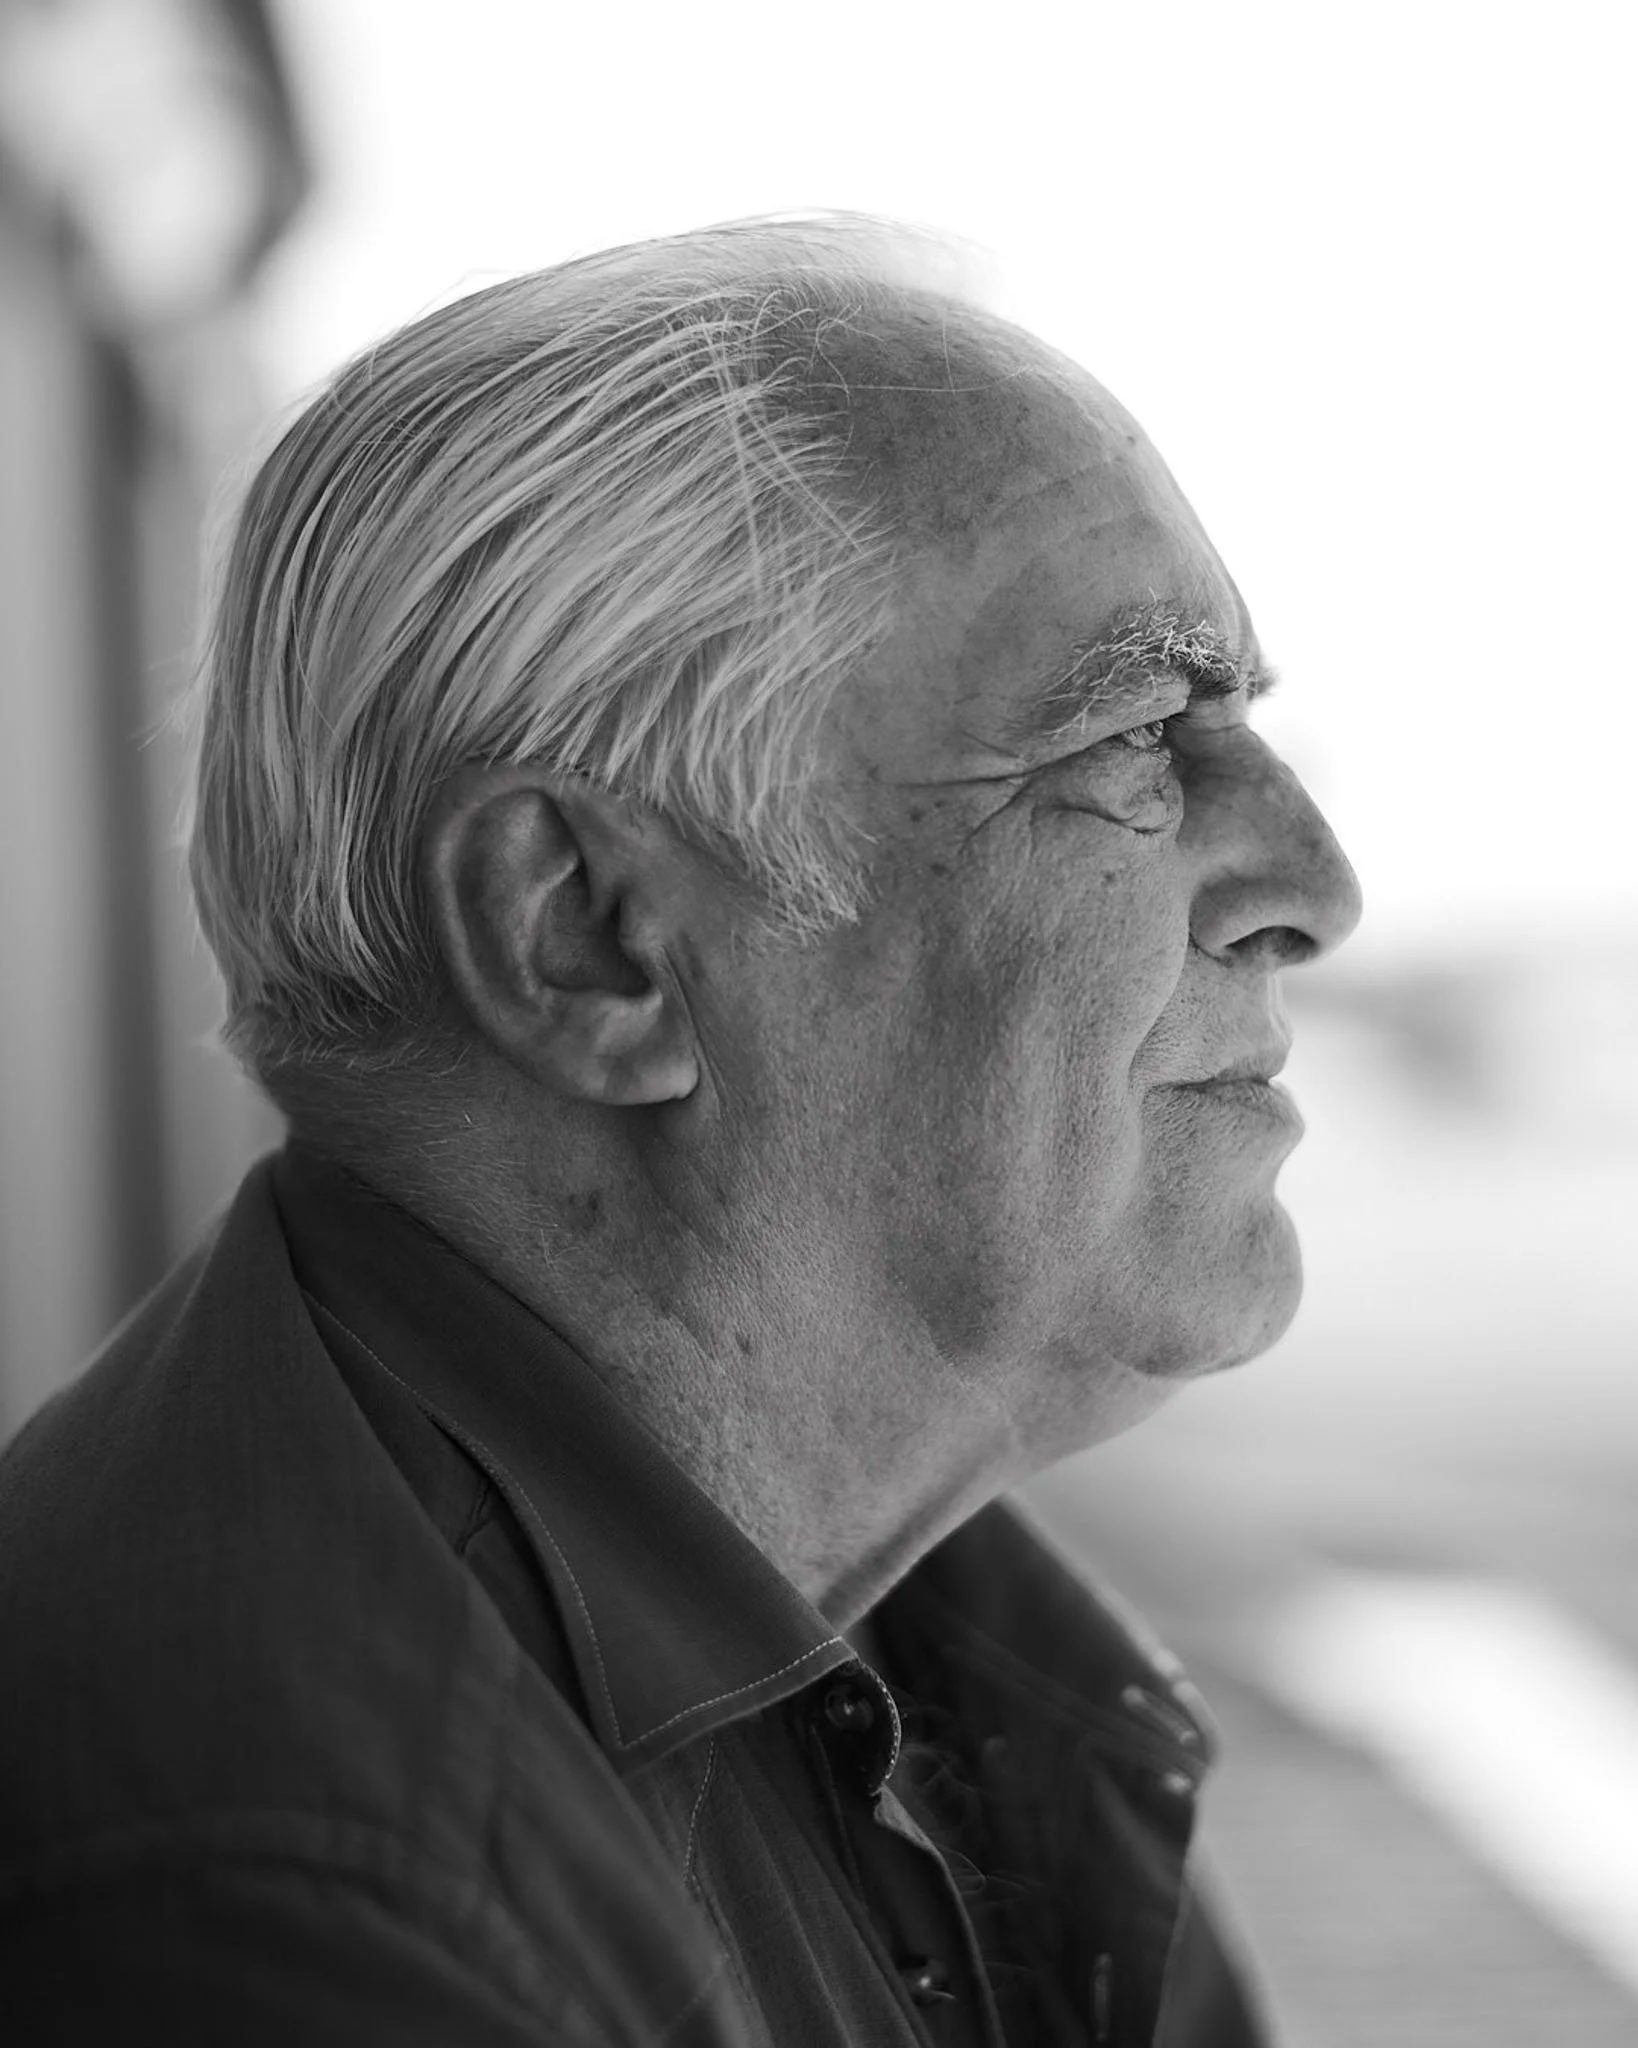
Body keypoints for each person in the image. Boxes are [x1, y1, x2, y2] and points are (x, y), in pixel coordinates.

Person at [0, 211, 1361, 2044]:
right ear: (589, 937)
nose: (1311, 882)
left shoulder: (890, 1591)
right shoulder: (297, 1896)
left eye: (1242, 724)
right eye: (1132, 732)